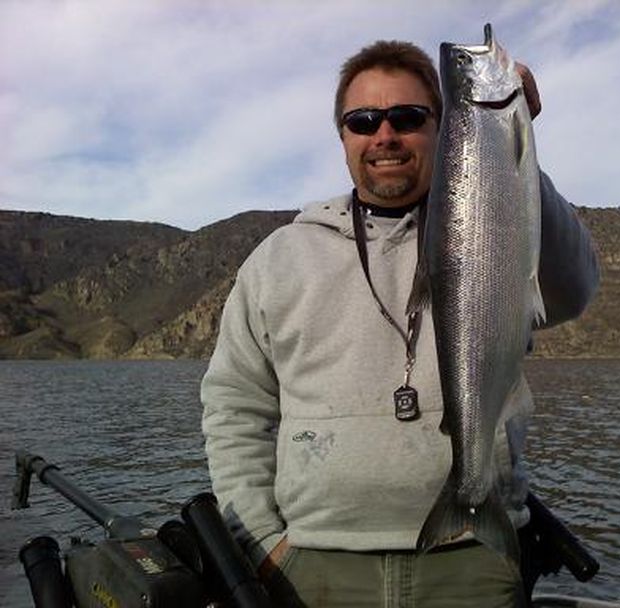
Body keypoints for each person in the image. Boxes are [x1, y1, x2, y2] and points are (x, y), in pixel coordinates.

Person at [201, 38, 599, 608]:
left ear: (445, 127)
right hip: (313, 564)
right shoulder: (278, 259)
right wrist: (264, 543)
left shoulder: (493, 224)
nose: (384, 134)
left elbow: (576, 290)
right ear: (343, 136)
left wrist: (512, 145)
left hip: (472, 560)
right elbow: (234, 408)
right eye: (363, 120)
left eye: (408, 117)